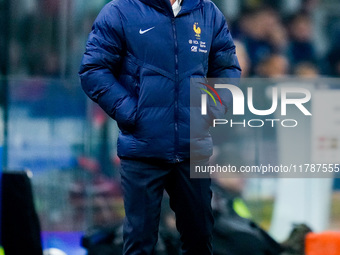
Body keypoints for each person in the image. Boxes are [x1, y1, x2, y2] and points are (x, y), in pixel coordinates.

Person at [79, 0, 241, 254]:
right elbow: (93, 69)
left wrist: (209, 113)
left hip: (192, 148)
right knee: (140, 242)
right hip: (142, 148)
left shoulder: (207, 12)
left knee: (200, 238)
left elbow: (228, 69)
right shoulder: (121, 11)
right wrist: (133, 113)